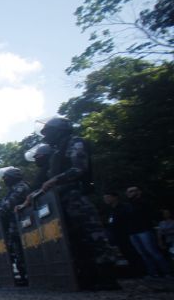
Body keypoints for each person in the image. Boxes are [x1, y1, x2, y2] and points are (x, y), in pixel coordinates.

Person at [38, 117, 117, 289]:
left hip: (77, 196)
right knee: (75, 237)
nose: (45, 136)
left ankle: (108, 277)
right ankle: (88, 277)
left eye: (48, 132)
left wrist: (55, 180)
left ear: (59, 130)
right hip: (62, 200)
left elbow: (79, 168)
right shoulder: (57, 152)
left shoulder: (75, 142)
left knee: (92, 234)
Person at [124, 186, 171, 278]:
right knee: (143, 253)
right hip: (133, 232)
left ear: (138, 192)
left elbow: (149, 214)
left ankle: (166, 272)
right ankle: (152, 273)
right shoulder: (128, 205)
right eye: (128, 191)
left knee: (152, 251)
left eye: (132, 191)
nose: (129, 193)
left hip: (144, 230)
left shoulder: (144, 202)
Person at [103, 191, 144, 277]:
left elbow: (130, 219)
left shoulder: (125, 207)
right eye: (105, 198)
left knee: (133, 252)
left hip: (128, 235)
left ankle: (141, 271)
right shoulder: (111, 210)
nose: (106, 199)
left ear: (115, 197)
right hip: (118, 237)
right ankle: (135, 272)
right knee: (126, 253)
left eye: (108, 197)